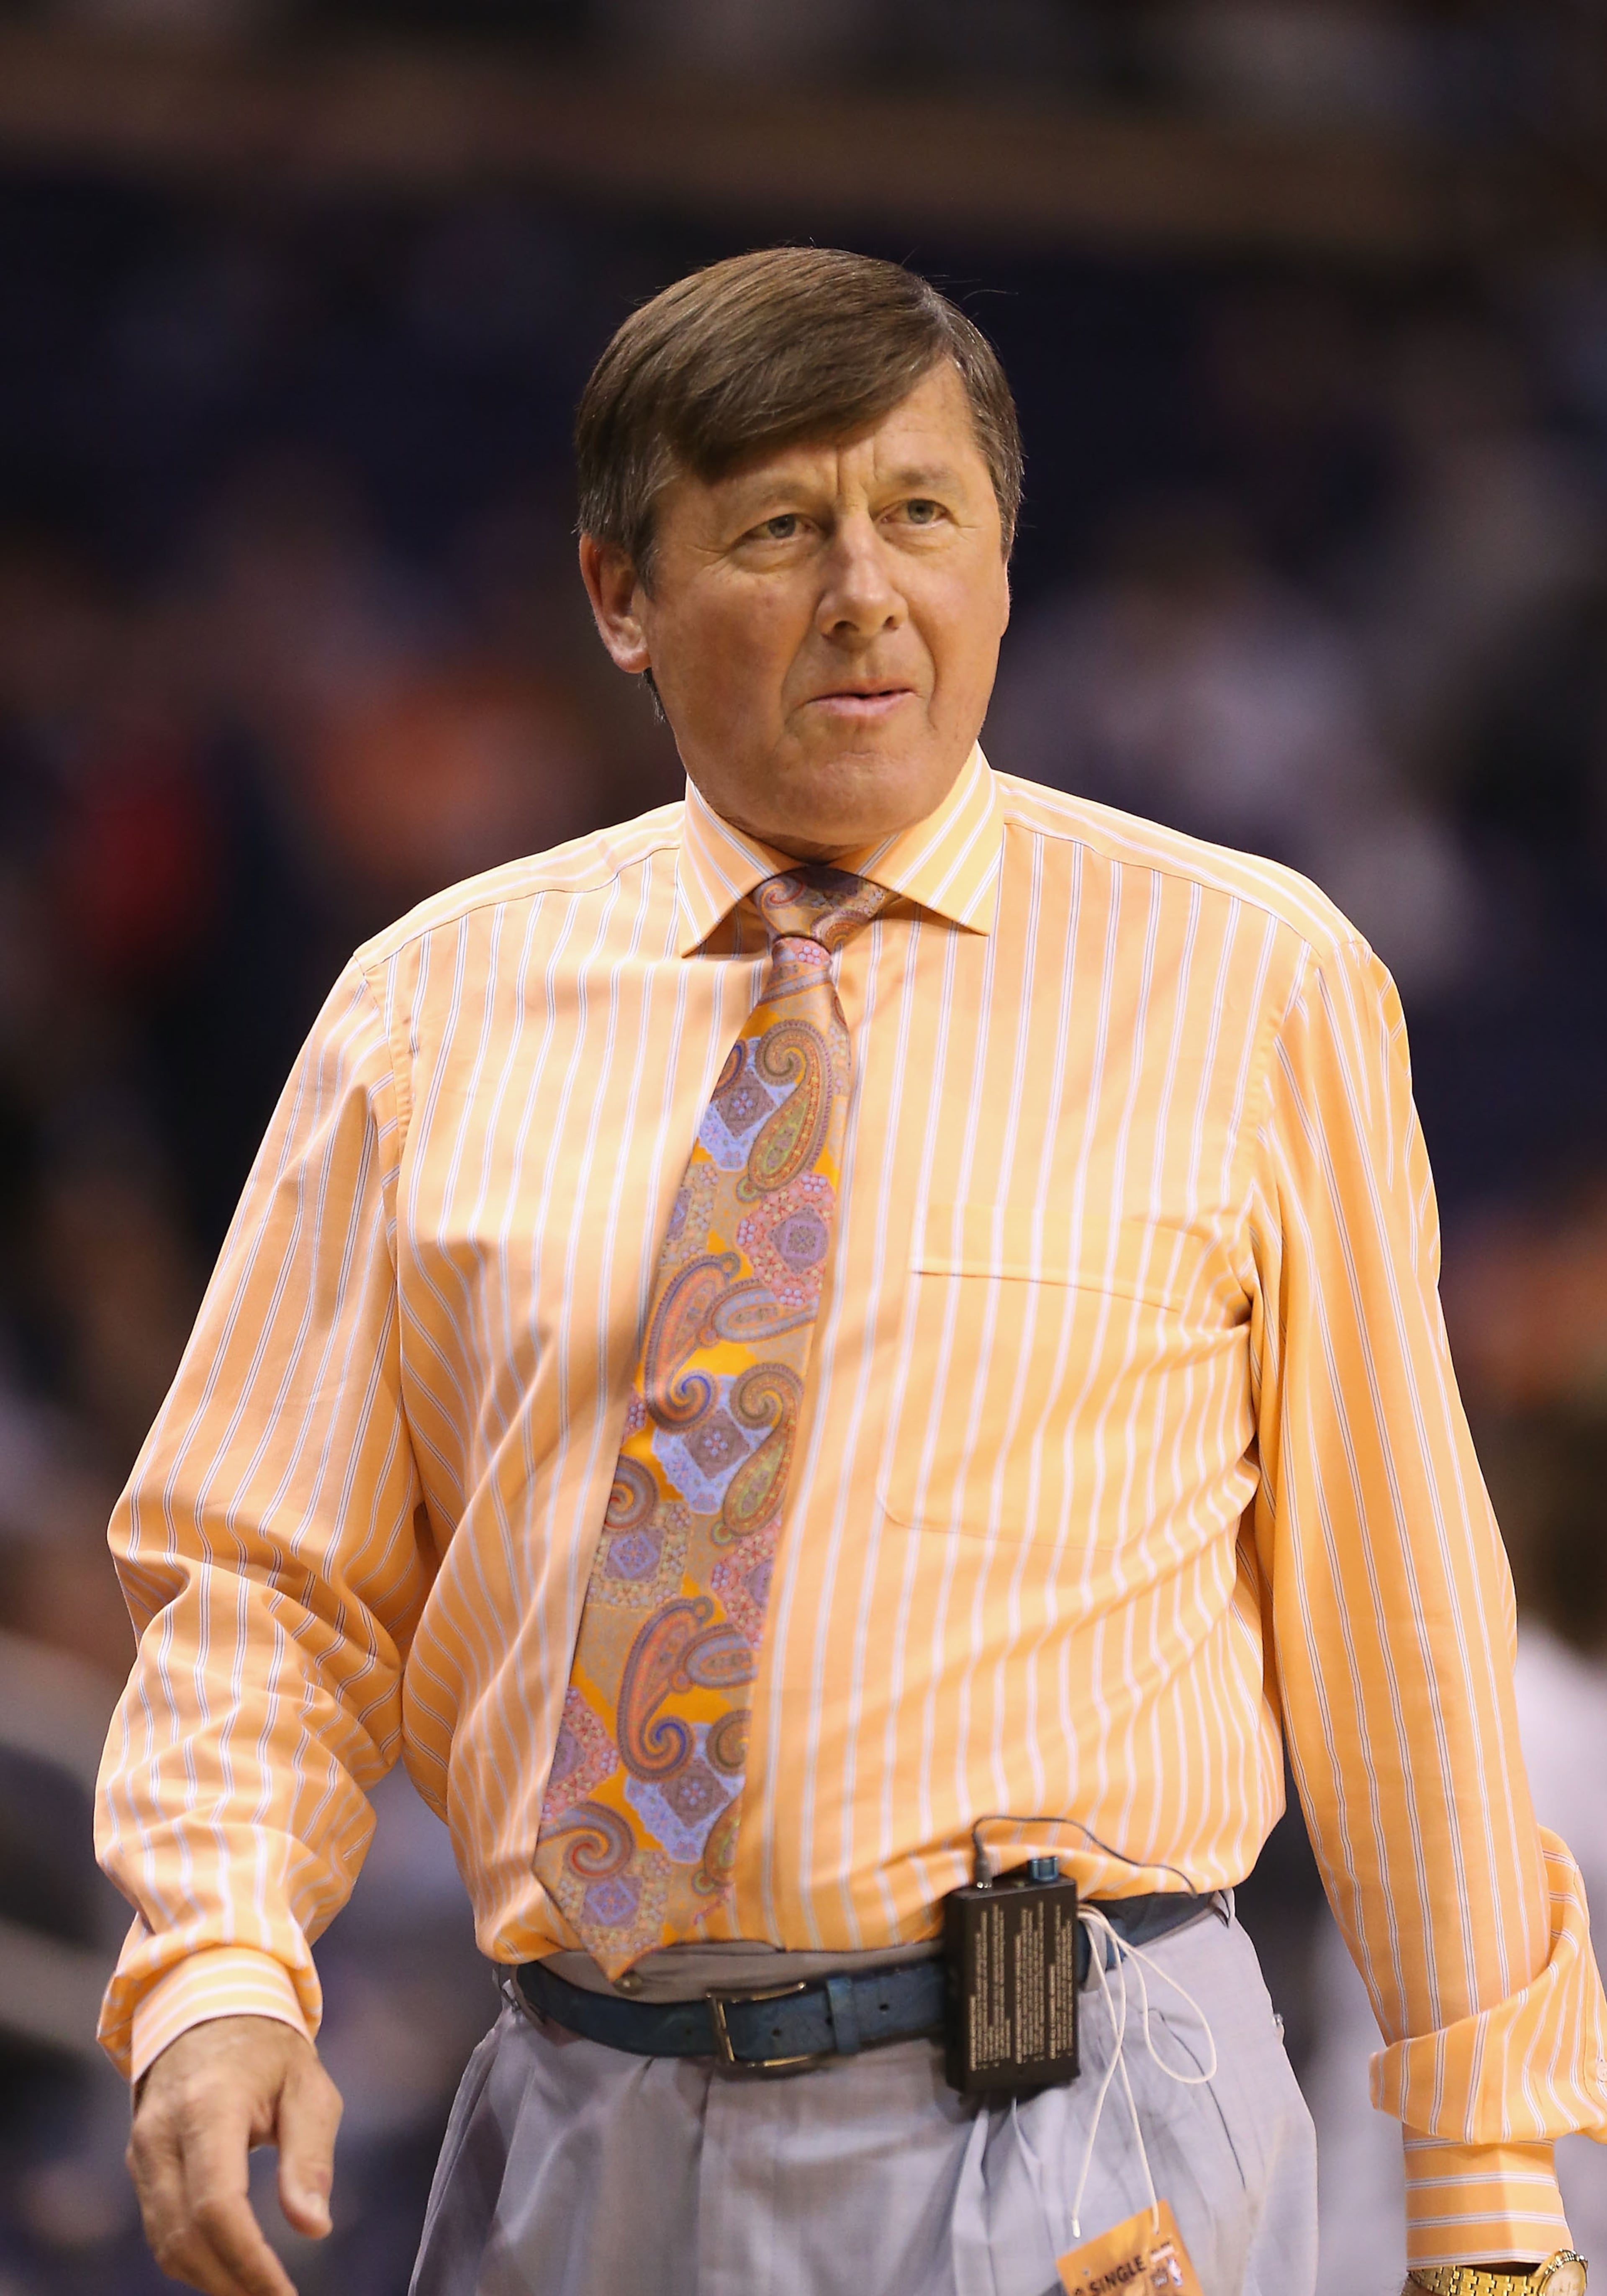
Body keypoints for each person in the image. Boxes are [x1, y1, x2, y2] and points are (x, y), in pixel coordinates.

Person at [96, 247, 1606, 2296]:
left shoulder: (1251, 979)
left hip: (1075, 2122)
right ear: (619, 596)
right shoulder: (422, 1013)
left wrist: (1491, 2195)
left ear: (1002, 557)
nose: (865, 592)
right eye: (779, 529)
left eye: (922, 515)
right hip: (573, 2119)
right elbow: (266, 1583)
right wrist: (215, 1963)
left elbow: (1399, 1618)